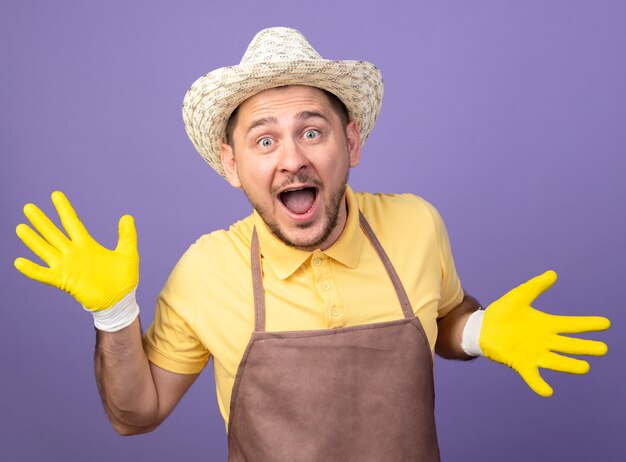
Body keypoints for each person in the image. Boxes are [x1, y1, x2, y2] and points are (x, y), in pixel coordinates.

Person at [14, 27, 610, 461]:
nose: (292, 158)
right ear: (231, 163)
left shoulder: (417, 225)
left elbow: (445, 316)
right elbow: (135, 416)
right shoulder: (206, 269)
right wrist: (113, 314)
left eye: (311, 131)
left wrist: (479, 332)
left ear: (351, 142)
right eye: (264, 140)